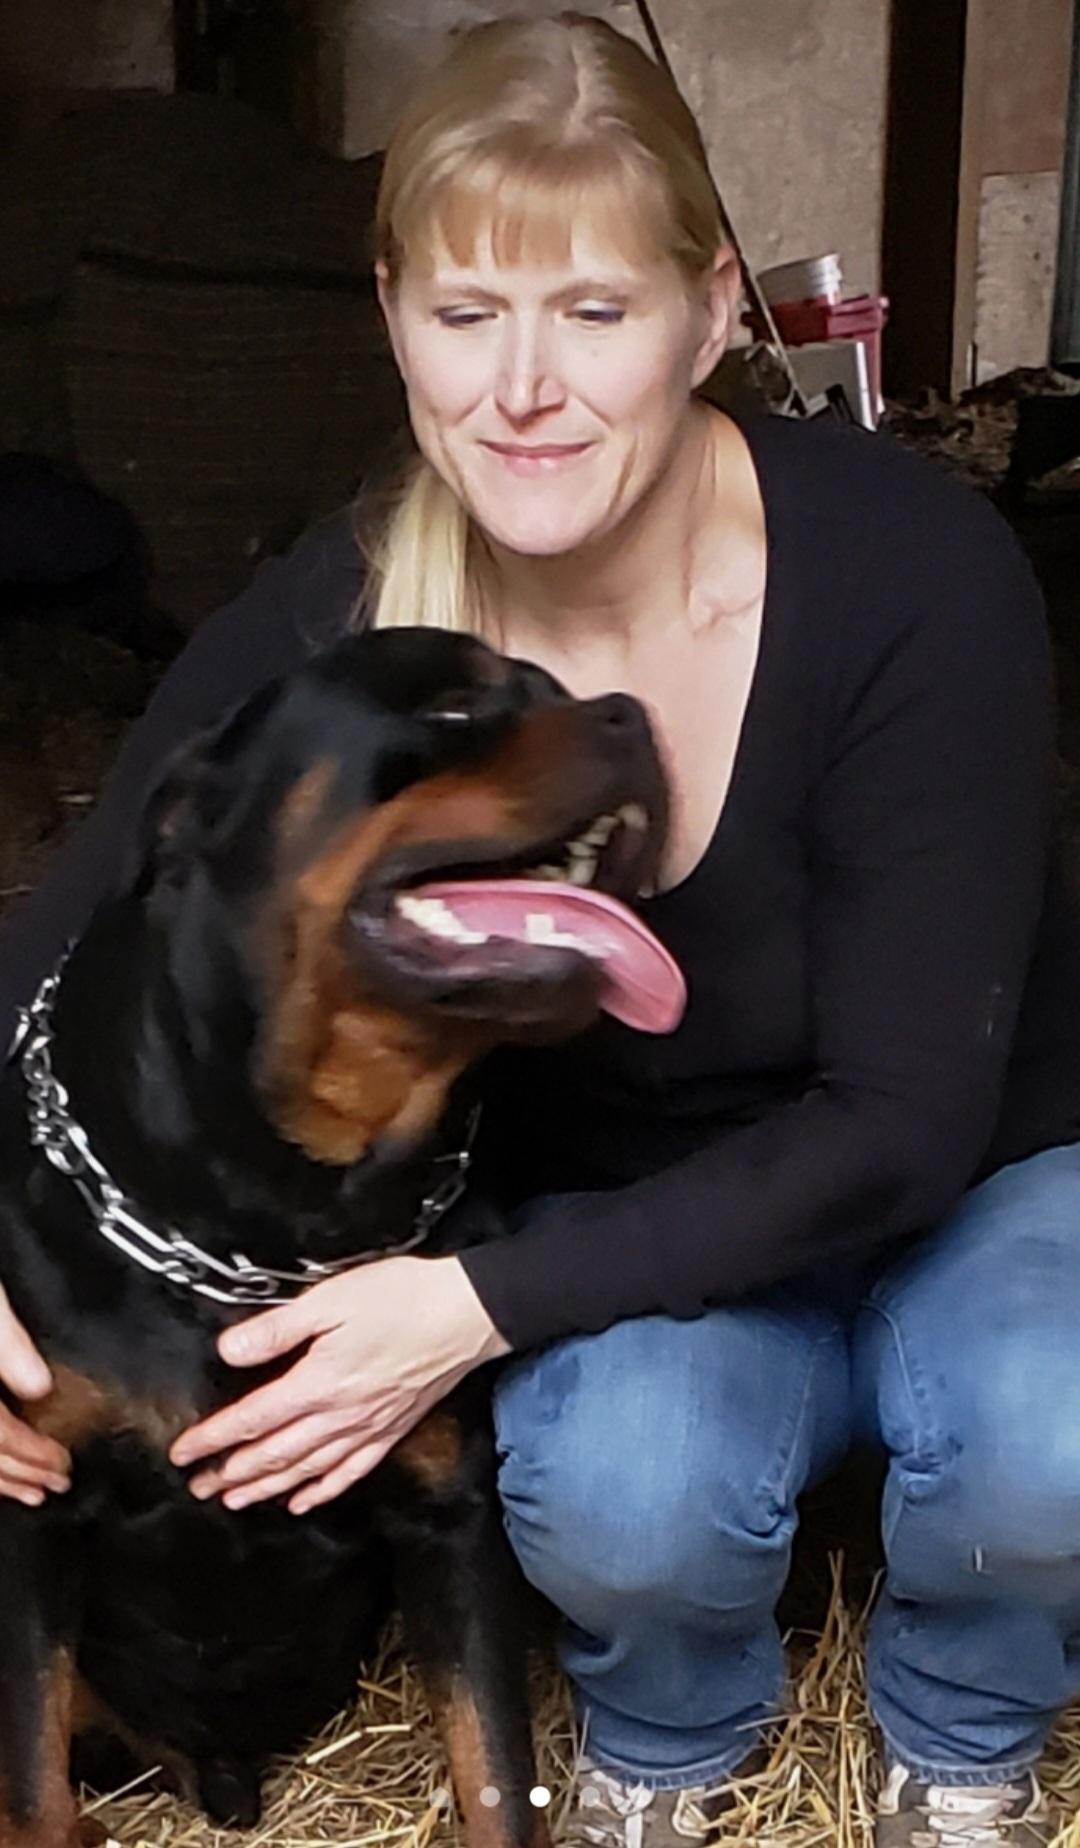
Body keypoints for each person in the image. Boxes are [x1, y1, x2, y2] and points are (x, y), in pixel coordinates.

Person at [2, 15, 1080, 1846]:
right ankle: (666, 1739)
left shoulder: (915, 574)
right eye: (465, 312)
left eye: (591, 310)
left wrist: (468, 1305)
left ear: (710, 313)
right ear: (390, 318)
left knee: (1049, 1429)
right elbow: (70, 923)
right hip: (646, 1223)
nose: (522, 388)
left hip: (972, 1173)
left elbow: (906, 1122)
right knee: (617, 1497)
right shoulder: (345, 616)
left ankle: (963, 1732)